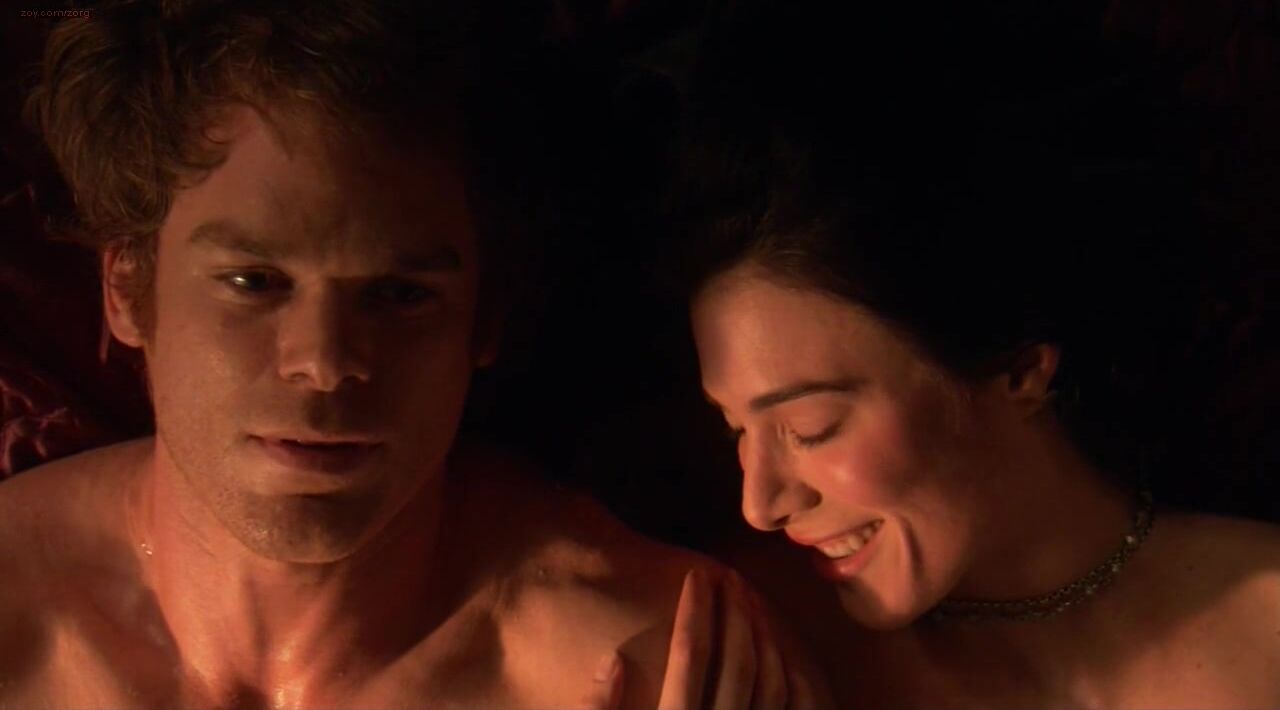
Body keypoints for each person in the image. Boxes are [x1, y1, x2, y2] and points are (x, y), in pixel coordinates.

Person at [0, 2, 820, 707]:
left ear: (485, 318)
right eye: (254, 282)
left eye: (399, 294)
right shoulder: (19, 616)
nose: (325, 362)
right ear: (126, 286)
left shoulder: (654, 659)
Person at [677, 4, 1280, 707]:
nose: (760, 504)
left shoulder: (1264, 619)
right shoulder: (744, 644)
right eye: (734, 428)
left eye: (811, 428)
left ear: (1019, 369)